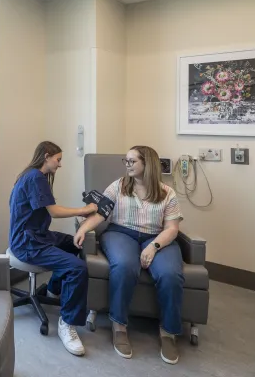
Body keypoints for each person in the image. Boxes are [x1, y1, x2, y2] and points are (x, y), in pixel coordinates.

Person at [74, 145, 185, 364]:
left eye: (132, 161)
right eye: (126, 161)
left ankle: (169, 332)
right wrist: (83, 228)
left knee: (170, 274)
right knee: (124, 266)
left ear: (148, 164)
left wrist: (154, 246)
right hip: (121, 233)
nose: (127, 165)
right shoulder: (118, 186)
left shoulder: (166, 193)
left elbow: (172, 228)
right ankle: (119, 326)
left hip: (157, 236)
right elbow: (101, 214)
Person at [9, 141, 98, 357]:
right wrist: (85, 209)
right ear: (47, 156)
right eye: (58, 159)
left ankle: (53, 289)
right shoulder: (35, 178)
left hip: (37, 235)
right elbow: (55, 212)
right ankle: (67, 324)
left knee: (73, 244)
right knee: (77, 268)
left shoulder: (32, 175)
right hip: (27, 243)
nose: (60, 165)